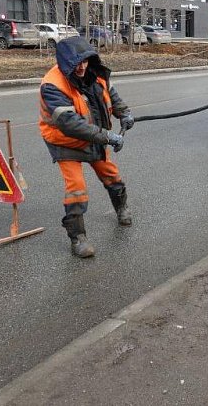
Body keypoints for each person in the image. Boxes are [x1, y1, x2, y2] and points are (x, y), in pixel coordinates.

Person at [38, 36, 133, 258]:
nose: (81, 67)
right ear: (65, 63)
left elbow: (112, 96)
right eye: (76, 64)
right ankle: (78, 238)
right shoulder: (52, 85)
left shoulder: (96, 73)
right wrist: (108, 136)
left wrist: (125, 113)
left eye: (85, 61)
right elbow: (71, 125)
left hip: (96, 139)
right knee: (76, 188)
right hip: (66, 142)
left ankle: (121, 208)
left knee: (112, 175)